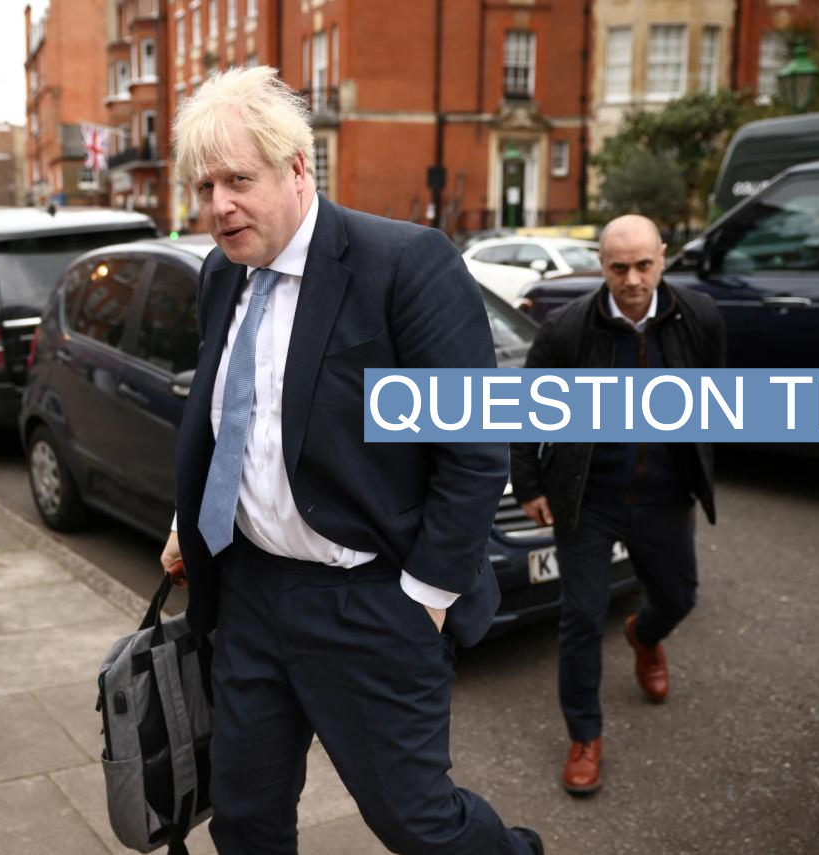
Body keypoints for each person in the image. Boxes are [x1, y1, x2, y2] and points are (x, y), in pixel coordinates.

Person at [158, 66, 541, 855]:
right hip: (252, 593)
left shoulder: (403, 262)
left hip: (369, 599)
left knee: (418, 824)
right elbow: (236, 415)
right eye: (206, 186)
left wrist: (424, 596)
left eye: (238, 180)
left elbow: (474, 449)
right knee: (244, 819)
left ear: (298, 168)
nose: (218, 205)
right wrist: (189, 517)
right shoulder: (220, 274)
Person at [509, 214, 726, 796]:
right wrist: (529, 486)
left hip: (664, 494)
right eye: (619, 267)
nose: (632, 279)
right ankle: (584, 736)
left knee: (679, 597)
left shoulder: (699, 316)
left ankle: (644, 635)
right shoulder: (566, 329)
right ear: (601, 266)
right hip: (588, 496)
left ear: (663, 258)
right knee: (580, 619)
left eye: (644, 265)